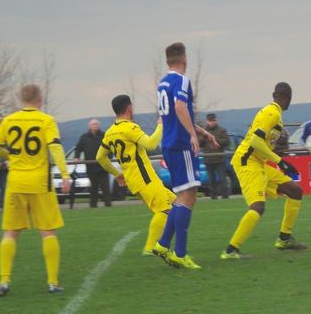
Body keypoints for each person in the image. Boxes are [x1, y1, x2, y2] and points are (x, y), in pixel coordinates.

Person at [0, 84, 72, 297]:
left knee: (10, 232)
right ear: (39, 99)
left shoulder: (9, 120)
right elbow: (55, 147)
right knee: (47, 231)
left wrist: (10, 156)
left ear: (22, 99)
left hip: (15, 182)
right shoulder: (46, 120)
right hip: (39, 183)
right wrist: (65, 174)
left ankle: (4, 280)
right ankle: (52, 282)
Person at [222, 82, 307, 259]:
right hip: (247, 162)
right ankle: (230, 251)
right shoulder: (271, 113)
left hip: (258, 163)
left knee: (295, 191)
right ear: (288, 99)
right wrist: (280, 162)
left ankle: (284, 239)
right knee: (258, 207)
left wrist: (277, 157)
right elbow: (255, 142)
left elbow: (263, 144)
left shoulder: (273, 113)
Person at [96, 95, 182, 262]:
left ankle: (170, 244)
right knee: (164, 210)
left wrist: (117, 174)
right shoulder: (130, 127)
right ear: (129, 108)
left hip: (133, 180)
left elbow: (100, 157)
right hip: (145, 178)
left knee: (177, 204)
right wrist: (160, 125)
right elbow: (151, 144)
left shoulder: (110, 132)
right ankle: (151, 248)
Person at [154, 42, 217, 270]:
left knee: (182, 196)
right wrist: (192, 134)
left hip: (169, 144)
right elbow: (180, 108)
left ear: (167, 60)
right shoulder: (182, 80)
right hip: (181, 144)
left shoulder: (163, 83)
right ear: (184, 60)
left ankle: (163, 244)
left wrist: (202, 132)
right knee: (189, 195)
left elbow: (174, 115)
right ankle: (180, 253)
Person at [72, 119, 111, 208]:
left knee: (105, 187)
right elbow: (78, 148)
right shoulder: (84, 137)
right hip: (91, 167)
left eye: (96, 124)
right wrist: (76, 157)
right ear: (89, 126)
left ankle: (108, 205)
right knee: (93, 187)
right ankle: (93, 206)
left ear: (99, 125)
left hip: (103, 166)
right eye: (93, 124)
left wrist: (109, 157)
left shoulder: (104, 135)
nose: (95, 126)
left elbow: (110, 147)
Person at [201, 113, 231, 200]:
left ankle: (225, 196)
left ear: (216, 120)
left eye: (213, 120)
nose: (212, 122)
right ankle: (213, 196)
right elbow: (199, 143)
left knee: (222, 179)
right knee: (211, 180)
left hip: (219, 159)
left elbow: (226, 142)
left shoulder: (222, 130)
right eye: (210, 121)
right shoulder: (203, 131)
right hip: (208, 160)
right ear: (207, 121)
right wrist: (204, 137)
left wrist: (214, 139)